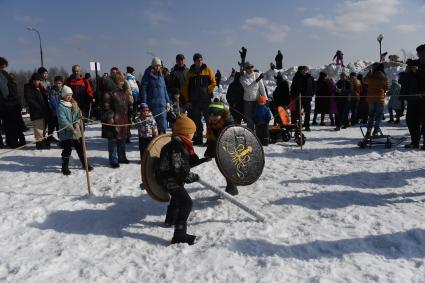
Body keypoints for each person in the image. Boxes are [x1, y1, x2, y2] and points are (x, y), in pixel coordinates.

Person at [157, 114, 211, 245]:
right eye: (192, 132)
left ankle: (170, 219)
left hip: (171, 178)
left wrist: (203, 160)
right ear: (186, 133)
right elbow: (180, 171)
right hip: (169, 180)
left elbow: (183, 164)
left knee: (177, 198)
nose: (194, 134)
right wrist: (194, 177)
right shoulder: (177, 148)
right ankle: (179, 234)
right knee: (186, 203)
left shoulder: (179, 144)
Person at [203, 102, 239, 195]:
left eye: (215, 116)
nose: (212, 118)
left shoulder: (229, 124)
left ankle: (232, 188)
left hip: (232, 148)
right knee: (223, 166)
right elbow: (212, 139)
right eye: (210, 116)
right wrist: (209, 151)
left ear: (222, 115)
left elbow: (231, 139)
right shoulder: (212, 124)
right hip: (220, 148)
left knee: (227, 166)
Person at [57, 85, 93, 175]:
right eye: (67, 95)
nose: (69, 96)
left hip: (76, 131)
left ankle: (85, 164)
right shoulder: (60, 106)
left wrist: (77, 123)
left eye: (70, 95)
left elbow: (78, 115)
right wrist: (71, 128)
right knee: (67, 149)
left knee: (80, 148)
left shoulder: (74, 104)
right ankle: (64, 167)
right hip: (66, 132)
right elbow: (62, 120)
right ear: (63, 95)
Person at [182, 53, 216, 145]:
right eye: (197, 60)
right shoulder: (190, 72)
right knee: (197, 121)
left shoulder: (208, 70)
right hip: (194, 101)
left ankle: (210, 139)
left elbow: (213, 82)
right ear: (194, 61)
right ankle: (198, 138)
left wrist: (207, 90)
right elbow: (186, 87)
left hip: (205, 100)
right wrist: (187, 100)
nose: (199, 61)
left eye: (201, 60)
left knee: (209, 120)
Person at [101, 71, 131, 168]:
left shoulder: (123, 92)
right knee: (113, 141)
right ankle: (113, 159)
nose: (122, 82)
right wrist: (110, 118)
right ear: (115, 81)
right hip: (113, 120)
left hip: (122, 119)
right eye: (120, 81)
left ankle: (122, 157)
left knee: (122, 139)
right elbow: (106, 107)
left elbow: (126, 106)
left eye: (123, 81)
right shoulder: (109, 92)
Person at [0, 57, 25, 148]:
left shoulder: (5, 74)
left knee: (10, 125)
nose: (3, 68)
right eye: (2, 66)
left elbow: (11, 88)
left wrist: (13, 100)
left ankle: (11, 142)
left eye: (4, 66)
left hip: (9, 104)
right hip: (4, 103)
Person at [141, 57, 170, 134]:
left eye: (159, 66)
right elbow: (143, 89)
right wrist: (144, 102)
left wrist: (167, 101)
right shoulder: (147, 75)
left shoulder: (161, 76)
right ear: (153, 65)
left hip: (162, 104)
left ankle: (161, 141)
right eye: (156, 65)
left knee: (163, 125)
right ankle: (152, 143)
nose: (158, 67)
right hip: (152, 104)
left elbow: (165, 89)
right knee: (152, 126)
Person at [24, 73, 50, 149]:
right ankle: (40, 144)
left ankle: (43, 142)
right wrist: (39, 107)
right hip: (36, 111)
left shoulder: (40, 87)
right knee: (38, 128)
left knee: (43, 128)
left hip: (43, 111)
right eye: (36, 80)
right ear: (33, 80)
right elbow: (29, 100)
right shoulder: (28, 87)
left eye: (39, 80)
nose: (37, 82)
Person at [363, 63, 389, 138]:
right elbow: (386, 88)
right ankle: (375, 131)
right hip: (380, 99)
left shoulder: (371, 76)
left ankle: (368, 131)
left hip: (371, 99)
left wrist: (369, 72)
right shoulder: (384, 77)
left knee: (371, 116)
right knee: (378, 116)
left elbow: (364, 81)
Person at [241, 61, 266, 130]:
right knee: (250, 121)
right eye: (248, 67)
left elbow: (262, 88)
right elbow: (248, 88)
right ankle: (251, 136)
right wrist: (257, 80)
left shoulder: (257, 75)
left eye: (252, 66)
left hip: (257, 101)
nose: (250, 68)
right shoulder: (243, 78)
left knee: (258, 119)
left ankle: (259, 135)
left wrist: (265, 99)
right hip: (248, 102)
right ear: (245, 69)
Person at [290, 66, 315, 131]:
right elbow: (293, 88)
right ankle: (299, 125)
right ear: (300, 71)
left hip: (307, 98)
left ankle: (307, 125)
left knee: (307, 112)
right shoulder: (296, 78)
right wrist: (293, 96)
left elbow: (314, 87)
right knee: (298, 113)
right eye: (303, 70)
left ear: (307, 71)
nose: (304, 71)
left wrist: (311, 94)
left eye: (305, 70)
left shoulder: (310, 78)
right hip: (298, 98)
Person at [47, 76, 63, 143]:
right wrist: (57, 109)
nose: (58, 85)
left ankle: (61, 139)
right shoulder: (52, 90)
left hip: (62, 113)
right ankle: (50, 138)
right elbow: (52, 100)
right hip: (53, 112)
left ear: (62, 83)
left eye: (59, 83)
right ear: (54, 83)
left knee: (60, 127)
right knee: (51, 126)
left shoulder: (63, 90)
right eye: (56, 83)